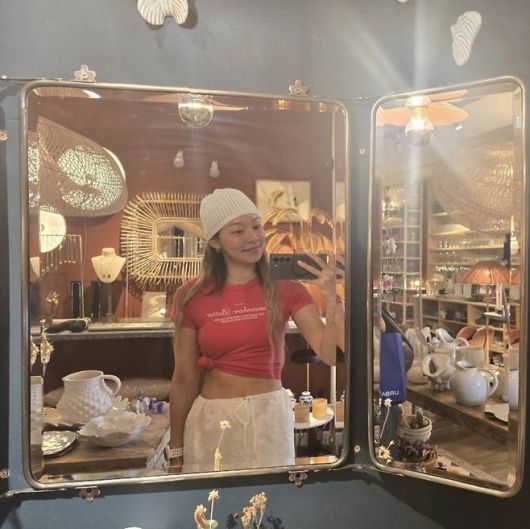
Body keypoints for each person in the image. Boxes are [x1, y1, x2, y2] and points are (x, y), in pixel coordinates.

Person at [167, 188, 344, 473]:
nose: (253, 237)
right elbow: (184, 378)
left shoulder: (286, 287)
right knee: (214, 500)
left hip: (269, 419)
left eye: (256, 226)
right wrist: (176, 451)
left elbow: (331, 354)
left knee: (269, 499)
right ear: (215, 242)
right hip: (213, 421)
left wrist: (332, 297)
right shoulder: (191, 295)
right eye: (238, 231)